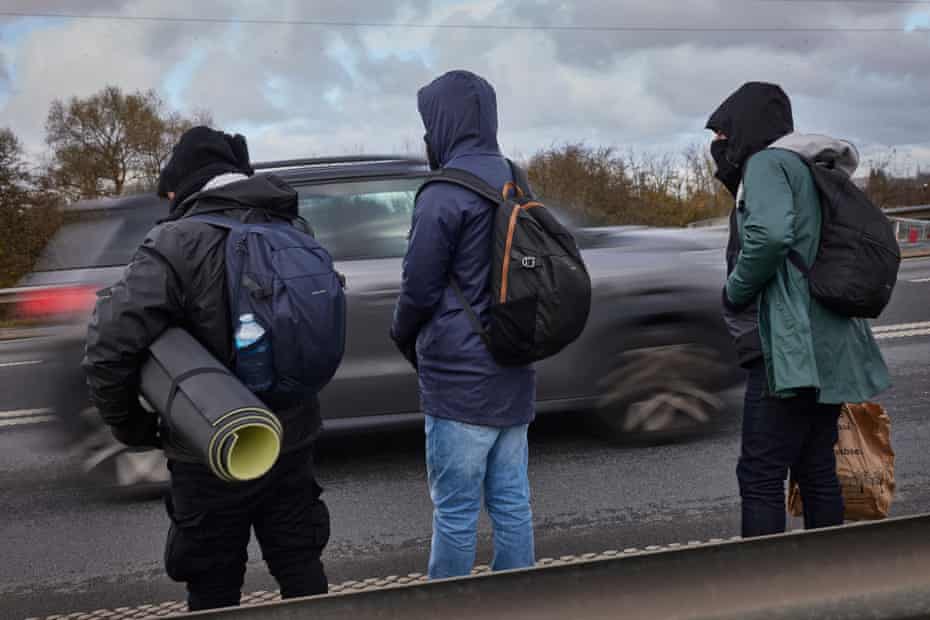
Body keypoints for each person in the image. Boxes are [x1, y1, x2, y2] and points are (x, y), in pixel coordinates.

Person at [83, 127, 330, 610]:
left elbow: (109, 348)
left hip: (209, 446)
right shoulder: (293, 228)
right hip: (291, 437)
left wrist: (135, 427)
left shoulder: (174, 241)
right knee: (301, 566)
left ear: (183, 186)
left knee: (212, 583)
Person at [706, 82, 891, 537]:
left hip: (785, 345)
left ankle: (764, 590)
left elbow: (769, 237)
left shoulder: (767, 163)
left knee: (760, 474)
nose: (718, 146)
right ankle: (827, 577)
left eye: (724, 134)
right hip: (826, 341)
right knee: (815, 468)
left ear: (746, 126)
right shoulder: (810, 167)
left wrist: (734, 291)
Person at [391, 70, 537, 579]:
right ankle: (519, 604)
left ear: (443, 122)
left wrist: (401, 333)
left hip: (458, 378)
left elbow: (419, 287)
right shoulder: (516, 178)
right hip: (514, 365)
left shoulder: (442, 192)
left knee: (455, 514)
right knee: (512, 504)